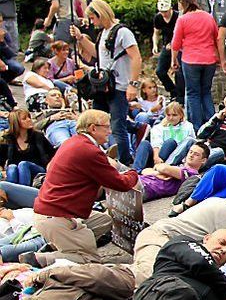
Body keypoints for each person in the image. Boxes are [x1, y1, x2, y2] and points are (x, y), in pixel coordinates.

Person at [23, 110, 137, 268]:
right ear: (93, 128)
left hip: (51, 213)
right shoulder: (88, 150)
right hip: (57, 216)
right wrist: (134, 172)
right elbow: (120, 183)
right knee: (89, 260)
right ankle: (42, 258)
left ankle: (63, 246)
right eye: (106, 127)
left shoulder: (73, 142)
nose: (109, 132)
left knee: (105, 220)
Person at [69, 0, 142, 164]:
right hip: (103, 86)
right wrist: (81, 38)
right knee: (95, 122)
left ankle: (125, 161)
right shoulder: (103, 33)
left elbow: (136, 57)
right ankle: (98, 156)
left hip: (119, 85)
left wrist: (133, 84)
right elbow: (99, 54)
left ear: (100, 14)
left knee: (117, 125)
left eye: (93, 18)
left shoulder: (123, 32)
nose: (92, 22)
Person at [132, 195, 226, 282]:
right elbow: (221, 256)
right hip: (160, 237)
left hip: (168, 241)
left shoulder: (222, 202)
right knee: (147, 275)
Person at [170, 0, 220, 131]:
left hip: (191, 59)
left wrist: (173, 60)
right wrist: (220, 57)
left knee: (193, 93)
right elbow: (216, 37)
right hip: (209, 59)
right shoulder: (208, 17)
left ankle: (197, 127)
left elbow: (176, 43)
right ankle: (212, 123)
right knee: (206, 92)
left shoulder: (183, 19)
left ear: (182, 3)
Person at [135, 141, 209, 202]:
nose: (191, 155)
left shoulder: (192, 175)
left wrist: (162, 170)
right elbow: (144, 171)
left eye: (196, 154)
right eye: (190, 152)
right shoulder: (179, 167)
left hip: (146, 188)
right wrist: (157, 173)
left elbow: (163, 168)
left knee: (126, 181)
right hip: (138, 180)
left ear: (203, 160)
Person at [133, 101, 196, 169]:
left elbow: (192, 143)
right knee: (144, 143)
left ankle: (161, 167)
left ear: (181, 115)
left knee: (171, 142)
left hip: (173, 158)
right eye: (168, 115)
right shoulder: (159, 127)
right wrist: (156, 157)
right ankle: (136, 170)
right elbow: (156, 143)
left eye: (174, 115)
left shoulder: (188, 126)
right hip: (156, 157)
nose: (171, 118)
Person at [0, 109, 53, 187]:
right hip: (16, 172)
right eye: (24, 119)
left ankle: (24, 192)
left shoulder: (38, 136)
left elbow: (53, 154)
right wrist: (2, 171)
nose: (29, 120)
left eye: (29, 117)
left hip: (38, 170)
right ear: (16, 123)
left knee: (23, 164)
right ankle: (12, 194)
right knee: (12, 167)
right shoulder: (8, 139)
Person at [196, 91, 226, 165]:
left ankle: (191, 167)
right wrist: (216, 118)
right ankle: (172, 165)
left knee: (219, 151)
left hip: (220, 154)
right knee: (189, 140)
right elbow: (200, 134)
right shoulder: (220, 119)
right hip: (206, 147)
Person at [151, 0, 182, 104]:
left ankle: (180, 96)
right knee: (160, 71)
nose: (164, 14)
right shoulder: (158, 18)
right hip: (166, 46)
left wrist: (174, 43)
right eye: (162, 11)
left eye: (166, 11)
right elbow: (156, 33)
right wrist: (155, 45)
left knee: (179, 71)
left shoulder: (178, 17)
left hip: (179, 46)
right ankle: (172, 91)